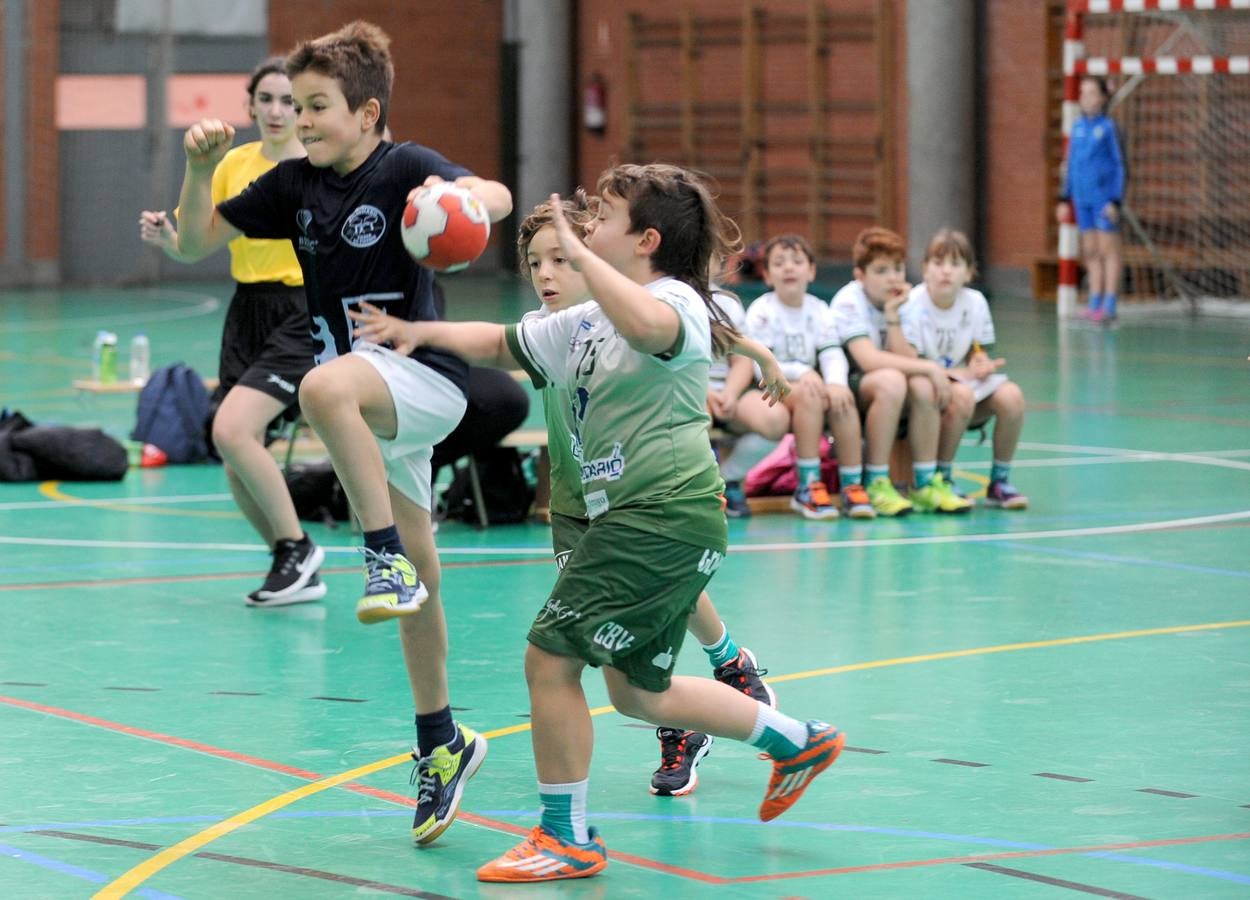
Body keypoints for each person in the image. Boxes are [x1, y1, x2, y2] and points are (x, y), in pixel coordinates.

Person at [352, 166, 845, 884]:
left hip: (659, 517)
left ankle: (566, 836)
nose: (584, 238)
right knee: (635, 692)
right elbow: (497, 341)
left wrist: (579, 260)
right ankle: (795, 741)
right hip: (639, 521)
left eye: (599, 224)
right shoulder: (581, 323)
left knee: (549, 661)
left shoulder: (669, 299)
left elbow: (651, 328)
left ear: (644, 241)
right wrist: (413, 329)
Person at [169, 21, 513, 845]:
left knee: (323, 385)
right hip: (366, 404)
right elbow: (189, 243)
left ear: (366, 113)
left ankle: (378, 554)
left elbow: (493, 196)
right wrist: (196, 169)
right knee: (424, 579)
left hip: (420, 379)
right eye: (294, 104)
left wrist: (461, 204)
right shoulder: (292, 185)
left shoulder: (406, 167)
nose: (300, 119)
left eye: (317, 106)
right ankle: (442, 741)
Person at [509, 193, 784, 799]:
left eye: (562, 259)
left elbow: (689, 331)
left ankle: (714, 684)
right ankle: (719, 683)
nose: (547, 274)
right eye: (535, 263)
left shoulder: (629, 317)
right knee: (616, 645)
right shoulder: (545, 329)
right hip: (577, 502)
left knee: (612, 629)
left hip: (649, 493)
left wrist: (756, 350)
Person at [139, 57, 326, 607]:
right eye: (265, 99)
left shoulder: (317, 169)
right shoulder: (232, 164)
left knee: (231, 430)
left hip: (300, 313)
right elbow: (195, 243)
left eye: (289, 101)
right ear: (248, 106)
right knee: (237, 462)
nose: (276, 111)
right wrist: (167, 241)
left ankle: (298, 546)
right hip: (247, 311)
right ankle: (292, 563)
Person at [830, 226, 972, 515]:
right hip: (847, 389)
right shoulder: (848, 301)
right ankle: (876, 481)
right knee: (894, 380)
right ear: (860, 275)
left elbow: (903, 357)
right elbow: (868, 360)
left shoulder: (904, 302)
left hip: (889, 387)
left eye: (897, 268)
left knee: (923, 385)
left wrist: (893, 316)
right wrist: (929, 366)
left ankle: (925, 483)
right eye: (881, 270)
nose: (893, 277)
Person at [892, 229, 1029, 510]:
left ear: (968, 273)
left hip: (961, 383)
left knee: (1012, 397)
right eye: (939, 263)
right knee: (962, 396)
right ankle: (941, 477)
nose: (946, 272)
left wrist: (980, 362)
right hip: (926, 392)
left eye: (956, 264)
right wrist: (954, 375)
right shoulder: (912, 305)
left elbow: (977, 350)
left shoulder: (975, 303)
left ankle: (999, 481)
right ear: (925, 269)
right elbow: (911, 361)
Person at [744, 234, 873, 519]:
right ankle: (807, 486)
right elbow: (759, 365)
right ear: (767, 275)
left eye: (797, 261)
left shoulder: (819, 309)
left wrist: (837, 384)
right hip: (772, 388)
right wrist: (802, 372)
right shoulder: (762, 311)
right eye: (779, 263)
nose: (789, 268)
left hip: (811, 386)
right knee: (811, 395)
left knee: (842, 398)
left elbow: (831, 353)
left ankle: (852, 486)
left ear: (811, 271)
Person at [706, 283, 790, 519]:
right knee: (696, 415)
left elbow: (742, 359)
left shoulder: (726, 302)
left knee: (775, 418)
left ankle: (727, 480)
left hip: (729, 391)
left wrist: (730, 393)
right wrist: (702, 391)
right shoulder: (664, 293)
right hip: (687, 388)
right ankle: (698, 492)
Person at [1057, 75, 1125, 323]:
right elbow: (1071, 164)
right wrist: (1064, 197)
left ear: (1102, 97)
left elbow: (1120, 166)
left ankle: (1110, 304)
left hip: (1103, 199)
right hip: (1081, 198)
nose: (1085, 98)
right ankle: (1094, 301)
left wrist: (1115, 200)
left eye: (1091, 93)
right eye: (1082, 93)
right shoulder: (1076, 127)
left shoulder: (1109, 127)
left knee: (1109, 250)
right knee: (1091, 251)